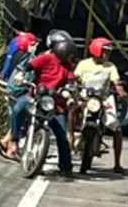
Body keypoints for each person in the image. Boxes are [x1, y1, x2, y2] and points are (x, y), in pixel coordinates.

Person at [6, 30, 77, 176]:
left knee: (61, 135)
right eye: (68, 54)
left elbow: (70, 81)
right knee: (18, 109)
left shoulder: (68, 66)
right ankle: (14, 140)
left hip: (53, 103)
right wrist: (20, 74)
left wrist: (70, 90)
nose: (70, 57)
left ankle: (66, 166)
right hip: (36, 96)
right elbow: (28, 66)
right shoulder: (46, 58)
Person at [72, 38, 126, 174]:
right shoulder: (83, 64)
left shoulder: (110, 66)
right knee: (71, 111)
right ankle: (70, 137)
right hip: (86, 98)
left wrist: (120, 91)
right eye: (105, 51)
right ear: (97, 51)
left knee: (116, 127)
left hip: (104, 98)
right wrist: (75, 90)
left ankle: (117, 163)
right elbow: (75, 79)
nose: (107, 54)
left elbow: (116, 82)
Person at [0, 32, 38, 158]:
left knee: (13, 116)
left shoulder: (13, 55)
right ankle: (8, 145)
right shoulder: (28, 58)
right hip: (19, 90)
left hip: (9, 88)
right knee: (19, 117)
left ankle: (7, 145)